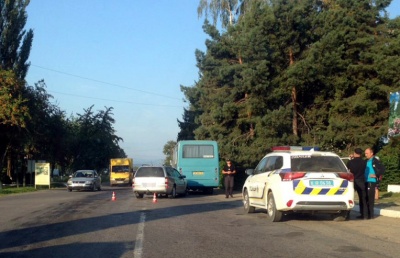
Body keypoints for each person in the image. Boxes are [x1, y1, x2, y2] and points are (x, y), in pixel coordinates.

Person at [364, 147, 385, 219]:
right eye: (365, 153)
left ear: (371, 153)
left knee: (370, 198)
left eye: (367, 153)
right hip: (365, 181)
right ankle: (365, 214)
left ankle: (371, 215)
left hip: (371, 181)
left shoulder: (375, 161)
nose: (365, 155)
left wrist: (376, 175)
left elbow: (382, 169)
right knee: (365, 198)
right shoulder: (366, 161)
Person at [347, 148, 367, 219]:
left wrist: (350, 159)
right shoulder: (364, 162)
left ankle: (347, 215)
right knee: (362, 199)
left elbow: (348, 170)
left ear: (354, 153)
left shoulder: (351, 162)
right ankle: (364, 215)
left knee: (349, 197)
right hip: (361, 181)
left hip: (353, 181)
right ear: (361, 154)